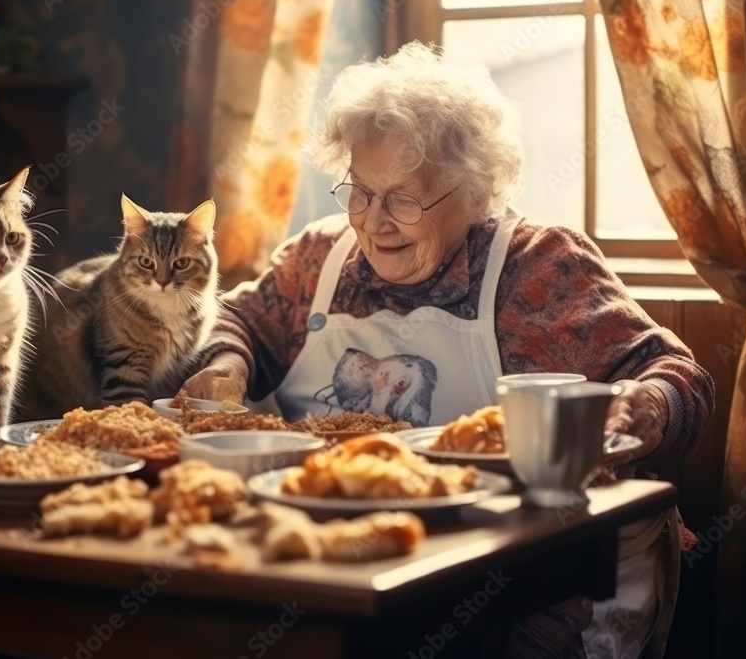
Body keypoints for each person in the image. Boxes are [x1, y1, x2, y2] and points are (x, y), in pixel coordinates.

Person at [182, 42, 715, 657]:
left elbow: (677, 377)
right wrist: (228, 363)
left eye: (403, 198)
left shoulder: (538, 268)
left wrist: (640, 405)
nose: (373, 221)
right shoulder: (317, 259)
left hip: (520, 571)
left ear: (475, 190)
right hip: (337, 564)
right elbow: (235, 317)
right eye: (359, 191)